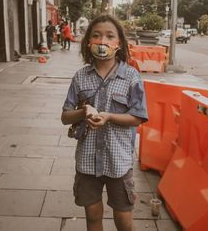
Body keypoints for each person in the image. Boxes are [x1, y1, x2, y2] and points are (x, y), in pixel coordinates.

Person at [61, 14, 148, 231]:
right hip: (87, 160)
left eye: (110, 36)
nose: (102, 41)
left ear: (119, 43)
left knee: (124, 219)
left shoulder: (131, 77)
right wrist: (84, 112)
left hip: (118, 160)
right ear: (88, 41)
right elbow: (65, 116)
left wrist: (109, 116)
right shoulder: (80, 77)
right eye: (96, 36)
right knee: (92, 215)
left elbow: (138, 116)